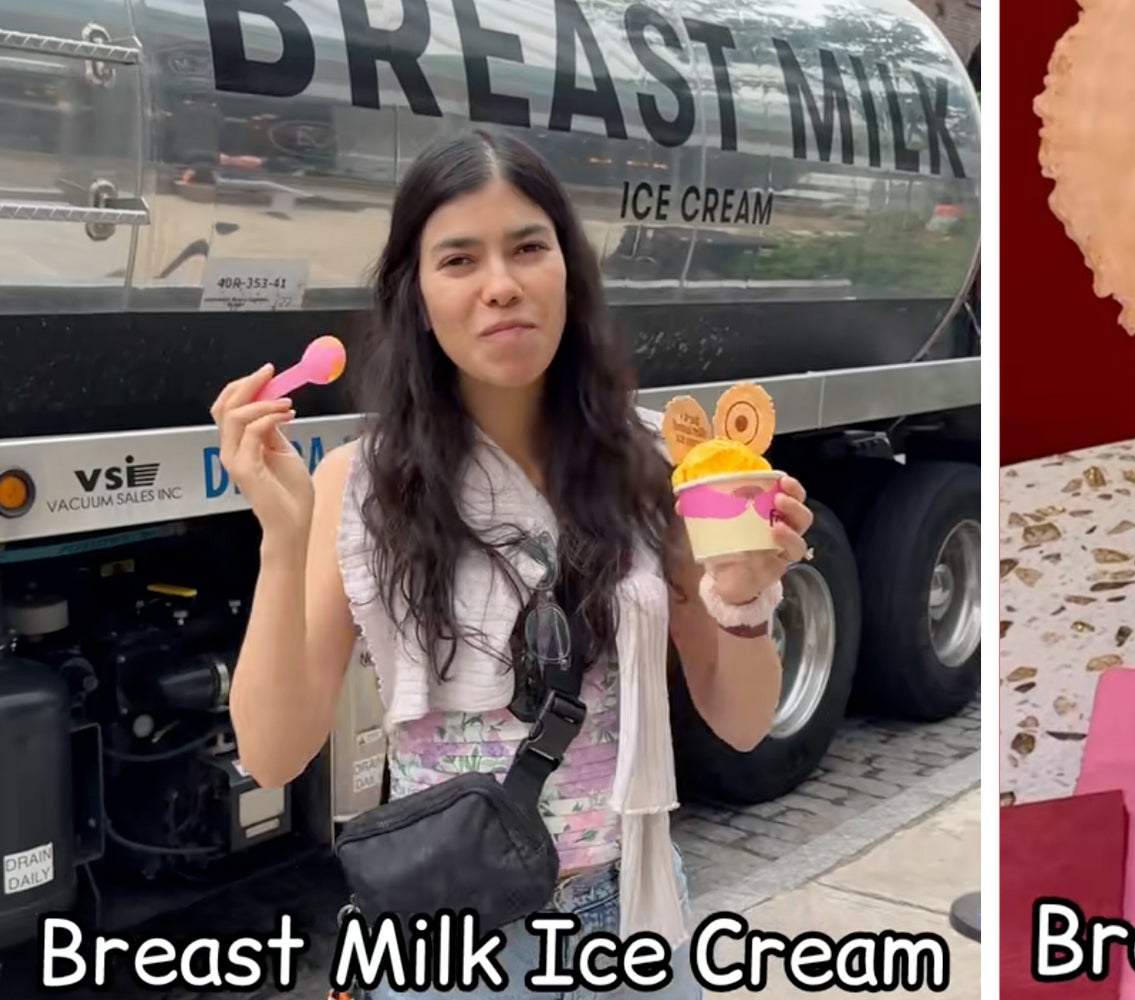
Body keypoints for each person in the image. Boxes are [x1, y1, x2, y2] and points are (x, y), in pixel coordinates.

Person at [211, 129, 811, 999]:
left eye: (529, 247)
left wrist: (746, 598)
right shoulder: (360, 484)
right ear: (416, 293)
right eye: (459, 259)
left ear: (568, 268)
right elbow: (271, 753)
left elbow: (744, 722)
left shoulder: (656, 467)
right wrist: (282, 537)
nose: (501, 285)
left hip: (633, 919)